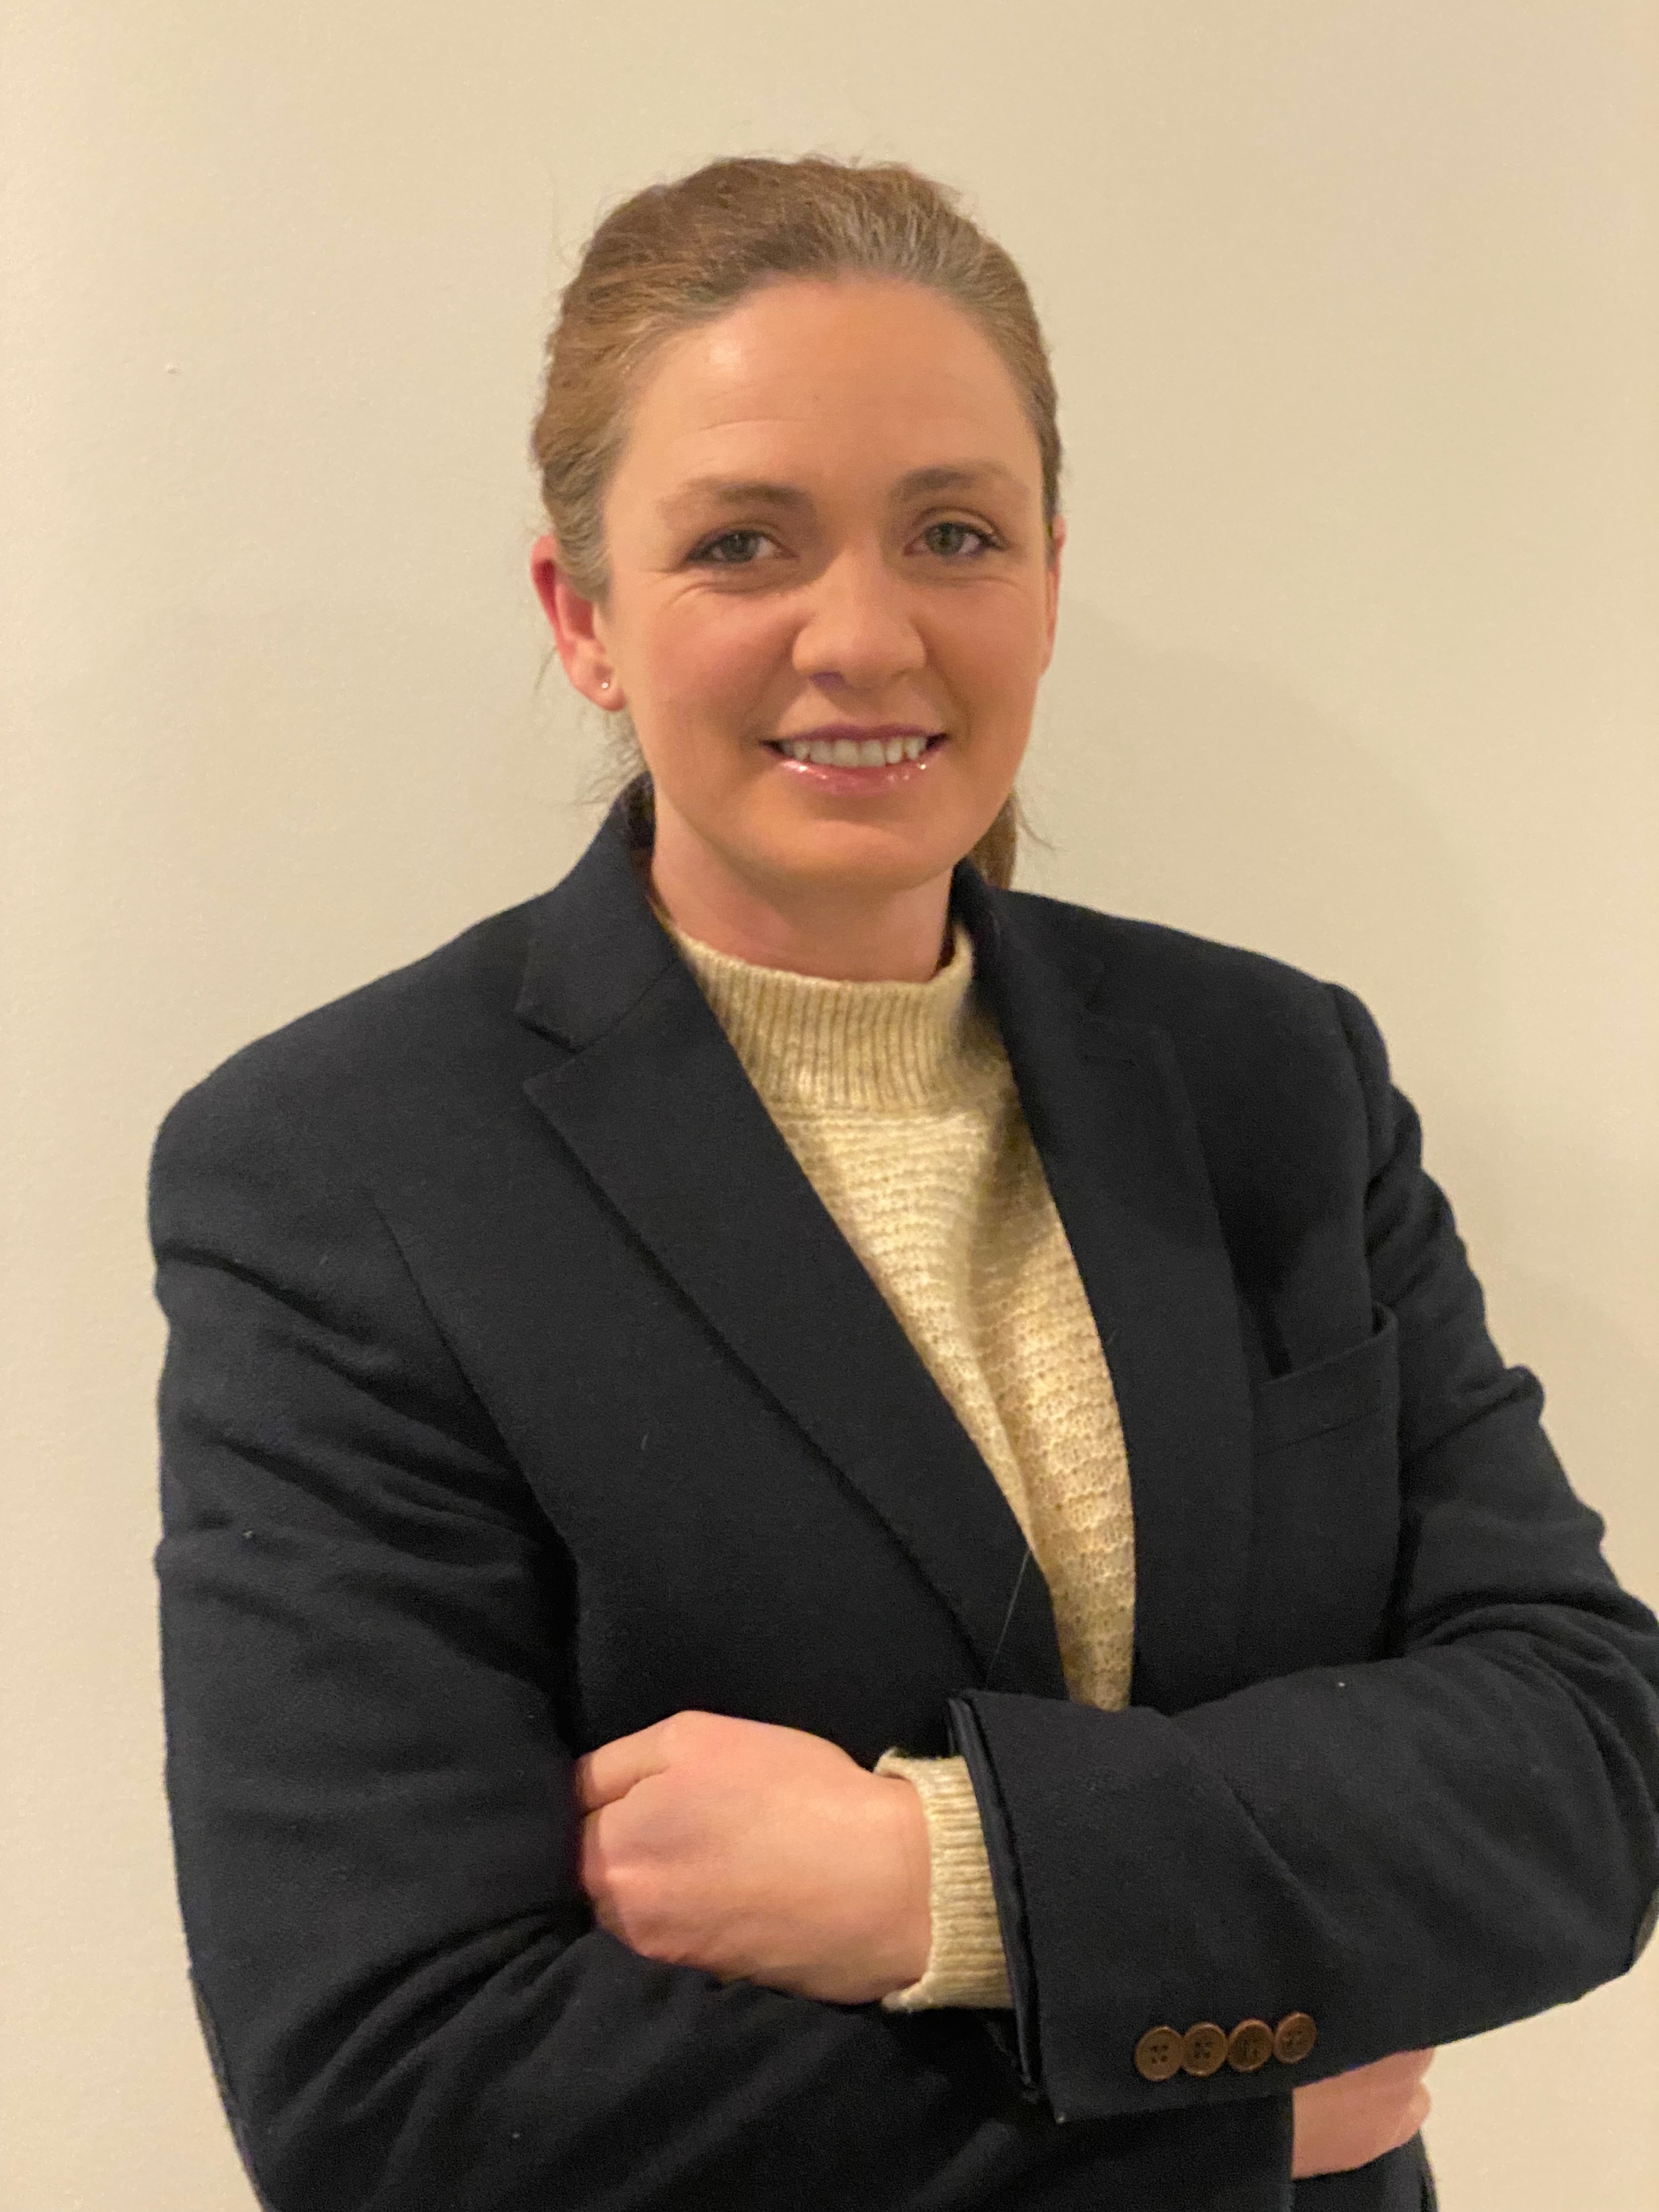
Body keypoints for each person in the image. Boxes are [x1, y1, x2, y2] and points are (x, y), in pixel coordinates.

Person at [150, 155, 1659, 2212]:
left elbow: (1584, 1765)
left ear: (1048, 572)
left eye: (953, 531)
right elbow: (398, 2093)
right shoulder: (344, 1170)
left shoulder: (1273, 1077)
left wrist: (938, 1873)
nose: (862, 635)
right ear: (581, 616)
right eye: (741, 544)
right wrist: (1204, 2111)